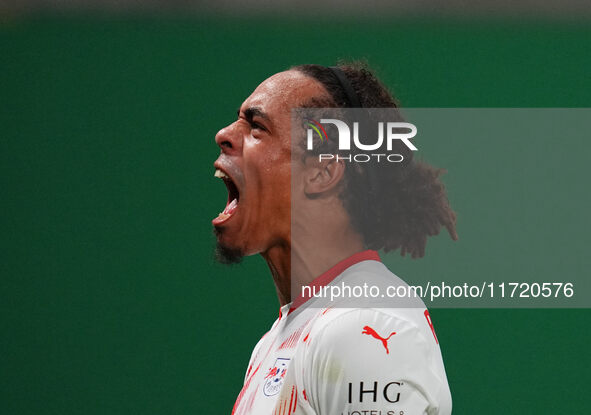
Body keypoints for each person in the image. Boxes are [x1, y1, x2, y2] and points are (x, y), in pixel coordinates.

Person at [212, 62, 458, 415]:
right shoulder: (282, 337)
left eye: (256, 127)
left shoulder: (365, 324)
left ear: (322, 171)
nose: (224, 134)